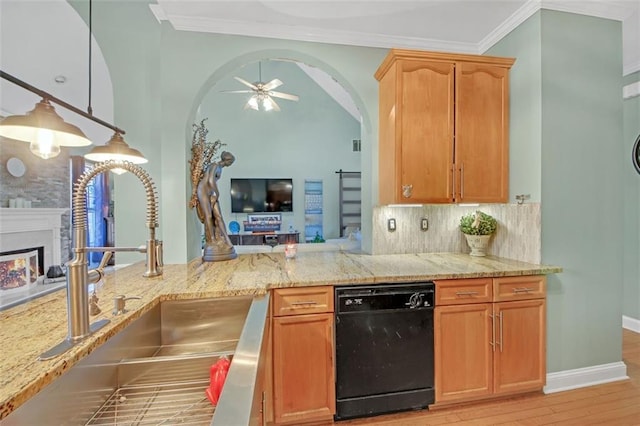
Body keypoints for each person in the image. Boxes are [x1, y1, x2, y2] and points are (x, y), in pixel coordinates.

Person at [196, 151, 237, 261]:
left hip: (210, 192)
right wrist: (217, 194)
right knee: (208, 216)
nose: (230, 164)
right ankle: (212, 240)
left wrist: (214, 195)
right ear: (227, 160)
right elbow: (210, 180)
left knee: (218, 216)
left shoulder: (220, 168)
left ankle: (227, 240)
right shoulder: (215, 165)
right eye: (231, 162)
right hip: (203, 190)